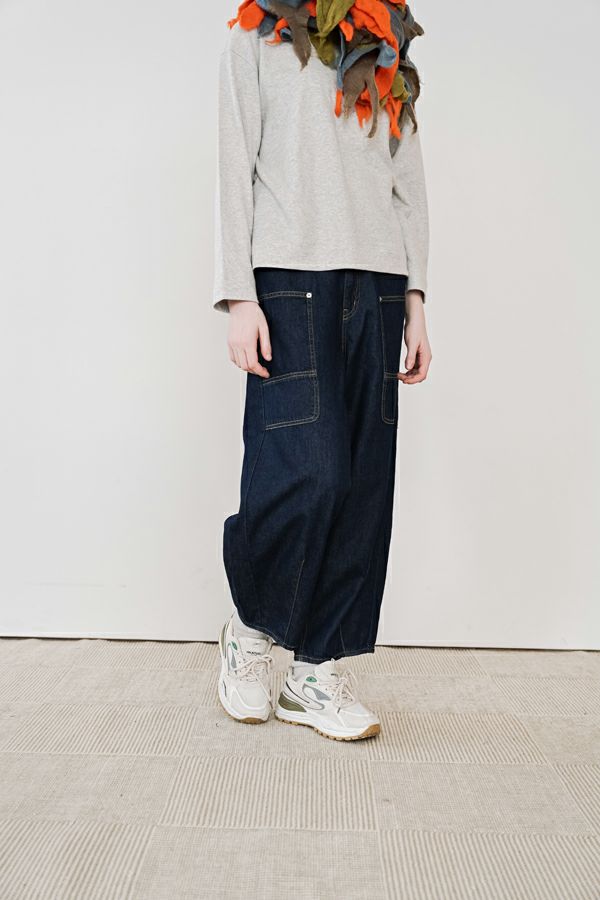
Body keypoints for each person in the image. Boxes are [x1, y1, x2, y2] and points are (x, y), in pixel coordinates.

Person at [213, 0, 431, 741]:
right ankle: (250, 630)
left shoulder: (386, 36)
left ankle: (317, 670)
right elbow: (233, 160)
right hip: (289, 277)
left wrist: (416, 298)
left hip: (379, 282)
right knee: (305, 471)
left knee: (363, 484)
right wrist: (239, 295)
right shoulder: (257, 32)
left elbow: (407, 174)